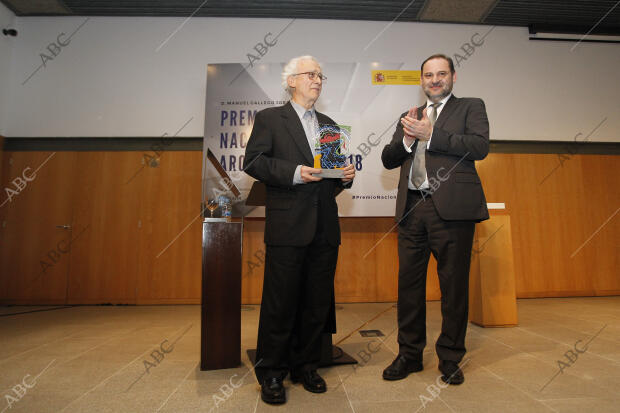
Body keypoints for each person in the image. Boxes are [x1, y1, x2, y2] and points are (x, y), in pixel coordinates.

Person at [243, 55, 355, 404]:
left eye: (321, 75)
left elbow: (332, 181)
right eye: (310, 74)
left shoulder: (330, 125)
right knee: (281, 303)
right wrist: (295, 172)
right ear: (290, 81)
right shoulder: (270, 119)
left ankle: (306, 365)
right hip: (289, 226)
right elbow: (255, 161)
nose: (318, 80)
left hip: (324, 228)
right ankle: (272, 373)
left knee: (315, 302)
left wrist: (346, 177)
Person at [380, 54, 489, 385]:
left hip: (452, 212)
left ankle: (450, 358)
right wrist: (407, 140)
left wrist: (433, 135)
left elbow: (480, 146)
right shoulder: (408, 115)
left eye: (442, 73)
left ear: (453, 76)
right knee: (408, 286)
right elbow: (387, 159)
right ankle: (409, 355)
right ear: (422, 80)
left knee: (453, 286)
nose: (435, 79)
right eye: (428, 75)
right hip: (412, 208)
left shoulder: (471, 106)